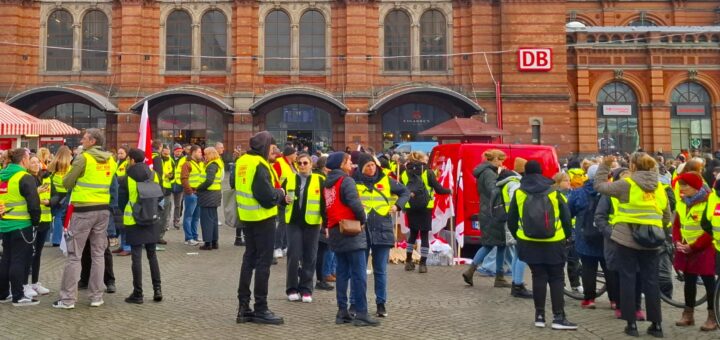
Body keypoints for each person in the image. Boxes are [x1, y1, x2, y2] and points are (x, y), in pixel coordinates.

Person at [594, 153, 672, 337]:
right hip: (652, 239)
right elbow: (666, 214)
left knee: (628, 279)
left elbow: (599, 186)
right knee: (651, 281)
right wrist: (661, 231)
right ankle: (656, 325)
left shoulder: (626, 184)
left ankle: (631, 325)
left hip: (626, 238)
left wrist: (605, 166)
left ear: (633, 167)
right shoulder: (659, 186)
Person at [507, 160, 576, 330]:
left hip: (529, 242)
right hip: (554, 241)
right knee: (556, 277)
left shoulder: (519, 192)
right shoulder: (554, 191)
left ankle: (539, 316)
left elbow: (511, 220)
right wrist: (567, 236)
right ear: (541, 172)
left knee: (538, 277)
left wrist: (520, 236)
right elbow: (566, 218)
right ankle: (559, 317)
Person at [54, 128, 118, 309]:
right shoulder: (111, 160)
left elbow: (67, 182)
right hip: (102, 210)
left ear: (92, 141)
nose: (82, 140)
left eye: (84, 138)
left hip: (82, 210)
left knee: (74, 255)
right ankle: (96, 297)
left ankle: (67, 300)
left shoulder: (84, 158)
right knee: (98, 254)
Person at [235, 131, 285, 325]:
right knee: (264, 264)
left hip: (247, 217)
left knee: (249, 260)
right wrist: (279, 193)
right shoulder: (260, 165)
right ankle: (261, 308)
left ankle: (243, 307)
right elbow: (266, 196)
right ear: (265, 146)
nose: (274, 150)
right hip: (263, 218)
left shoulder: (242, 162)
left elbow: (234, 184)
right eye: (272, 146)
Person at [323, 152, 378, 326]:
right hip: (351, 230)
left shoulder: (327, 184)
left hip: (335, 230)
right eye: (348, 161)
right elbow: (354, 203)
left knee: (342, 273)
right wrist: (363, 219)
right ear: (341, 164)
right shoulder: (346, 181)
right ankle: (361, 313)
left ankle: (342, 311)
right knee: (359, 273)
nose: (351, 164)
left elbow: (324, 208)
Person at [355, 153, 409, 317]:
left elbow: (405, 192)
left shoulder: (386, 180)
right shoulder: (354, 181)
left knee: (380, 271)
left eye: (372, 165)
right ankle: (359, 304)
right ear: (361, 168)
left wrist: (398, 206)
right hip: (361, 230)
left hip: (382, 229)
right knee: (359, 271)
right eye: (367, 166)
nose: (371, 168)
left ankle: (381, 304)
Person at [672, 172, 717, 331]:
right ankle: (688, 313)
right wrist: (677, 241)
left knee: (709, 283)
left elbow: (711, 229)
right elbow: (677, 224)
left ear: (696, 187)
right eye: (681, 185)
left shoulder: (707, 202)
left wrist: (694, 246)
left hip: (705, 248)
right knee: (689, 281)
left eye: (685, 185)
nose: (681, 188)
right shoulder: (682, 202)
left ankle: (713, 316)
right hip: (686, 248)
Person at [282, 153, 328, 302]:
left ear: (311, 164)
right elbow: (279, 198)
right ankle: (292, 288)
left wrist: (326, 224)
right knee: (294, 255)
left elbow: (324, 204)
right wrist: (283, 200)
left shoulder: (320, 180)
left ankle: (307, 289)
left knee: (310, 255)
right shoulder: (289, 179)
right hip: (293, 222)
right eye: (300, 163)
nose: (302, 165)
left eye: (305, 163)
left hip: (312, 223)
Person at [0, 148, 42, 306]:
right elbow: (34, 203)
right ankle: (18, 295)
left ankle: (3, 293)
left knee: (6, 259)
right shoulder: (24, 177)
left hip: (5, 223)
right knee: (18, 259)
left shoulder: (2, 175)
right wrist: (36, 221)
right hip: (21, 224)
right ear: (24, 160)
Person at [122, 148, 163, 304]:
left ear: (132, 160)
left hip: (134, 219)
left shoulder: (127, 177)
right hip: (151, 218)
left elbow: (122, 198)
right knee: (152, 255)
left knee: (136, 257)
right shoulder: (154, 174)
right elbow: (161, 194)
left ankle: (138, 294)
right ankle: (157, 289)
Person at [567, 164, 609, 309]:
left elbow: (569, 212)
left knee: (588, 268)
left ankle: (589, 300)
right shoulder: (609, 191)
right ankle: (615, 301)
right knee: (609, 268)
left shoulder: (578, 192)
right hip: (606, 235)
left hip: (585, 236)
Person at [463, 149, 506, 286]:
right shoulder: (489, 174)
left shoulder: (484, 172)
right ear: (494, 160)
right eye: (500, 160)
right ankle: (497, 277)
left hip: (486, 211)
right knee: (496, 244)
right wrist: (502, 179)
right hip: (493, 212)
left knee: (494, 244)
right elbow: (494, 190)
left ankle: (473, 271)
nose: (502, 163)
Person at [401, 151, 448, 274]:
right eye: (425, 157)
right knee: (424, 234)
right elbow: (439, 189)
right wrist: (449, 191)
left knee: (412, 233)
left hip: (410, 205)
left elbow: (402, 189)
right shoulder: (428, 172)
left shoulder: (405, 172)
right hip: (425, 206)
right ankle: (422, 264)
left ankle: (408, 261)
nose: (427, 159)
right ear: (421, 159)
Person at [23, 154, 52, 297]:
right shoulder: (27, 179)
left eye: (37, 162)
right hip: (32, 220)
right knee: (29, 253)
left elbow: (56, 194)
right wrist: (37, 192)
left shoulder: (45, 177)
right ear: (27, 164)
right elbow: (25, 197)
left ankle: (35, 283)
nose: (35, 165)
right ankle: (25, 285)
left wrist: (51, 201)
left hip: (45, 219)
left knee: (38, 253)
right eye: (32, 162)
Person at [273, 146, 298, 259]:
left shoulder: (294, 165)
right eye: (295, 153)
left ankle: (284, 245)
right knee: (283, 222)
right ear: (290, 154)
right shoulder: (279, 163)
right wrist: (279, 193)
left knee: (288, 222)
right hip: (282, 198)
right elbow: (274, 179)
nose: (296, 156)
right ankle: (277, 247)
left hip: (292, 198)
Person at [197, 147, 223, 250]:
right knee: (213, 219)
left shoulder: (211, 166)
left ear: (211, 154)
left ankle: (208, 243)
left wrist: (199, 188)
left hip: (208, 195)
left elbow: (209, 181)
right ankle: (214, 241)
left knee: (206, 220)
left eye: (206, 154)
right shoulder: (217, 164)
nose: (204, 156)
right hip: (214, 194)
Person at [48, 146, 73, 247]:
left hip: (53, 194)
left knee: (50, 216)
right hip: (64, 195)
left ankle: (47, 236)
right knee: (59, 217)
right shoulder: (70, 168)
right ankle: (56, 240)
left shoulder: (52, 166)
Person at [180, 145, 204, 246]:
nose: (201, 154)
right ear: (193, 152)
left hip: (198, 193)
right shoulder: (187, 164)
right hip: (191, 194)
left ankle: (194, 236)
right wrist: (189, 192)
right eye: (199, 152)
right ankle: (188, 238)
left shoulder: (201, 163)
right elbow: (184, 178)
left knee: (196, 217)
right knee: (188, 216)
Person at [113, 146, 132, 256]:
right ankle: (122, 245)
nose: (119, 155)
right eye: (118, 153)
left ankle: (127, 247)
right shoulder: (117, 163)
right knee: (120, 224)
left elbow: (126, 178)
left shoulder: (127, 164)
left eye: (122, 153)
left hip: (124, 194)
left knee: (125, 224)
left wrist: (116, 180)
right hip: (119, 194)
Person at [157, 146, 174, 245]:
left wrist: (171, 176)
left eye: (168, 152)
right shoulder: (157, 160)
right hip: (158, 190)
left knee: (164, 215)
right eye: (165, 152)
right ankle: (154, 235)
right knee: (157, 214)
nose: (167, 153)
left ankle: (160, 236)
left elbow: (174, 174)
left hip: (167, 191)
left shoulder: (171, 161)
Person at [172, 145, 185, 230]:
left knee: (178, 205)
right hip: (170, 184)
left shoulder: (184, 159)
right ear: (173, 151)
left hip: (180, 185)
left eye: (180, 151)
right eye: (177, 151)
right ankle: (166, 222)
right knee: (168, 205)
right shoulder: (169, 159)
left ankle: (176, 220)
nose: (179, 153)